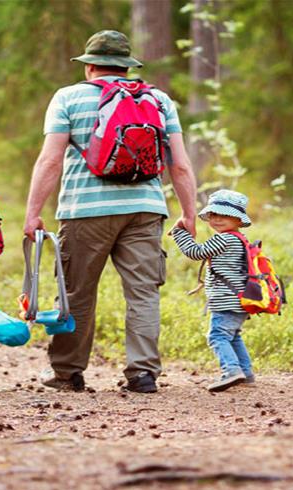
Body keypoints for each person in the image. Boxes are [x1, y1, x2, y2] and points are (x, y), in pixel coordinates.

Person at [23, 30, 200, 393]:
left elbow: (50, 160)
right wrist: (189, 213)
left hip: (84, 211)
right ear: (126, 66)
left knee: (76, 292)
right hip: (146, 210)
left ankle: (67, 372)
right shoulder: (159, 100)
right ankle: (142, 373)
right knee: (144, 293)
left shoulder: (67, 98)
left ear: (89, 66)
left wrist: (33, 213)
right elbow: (179, 165)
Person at [171, 189, 258, 392]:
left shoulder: (224, 239)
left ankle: (231, 370)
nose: (218, 220)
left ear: (238, 219)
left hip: (226, 301)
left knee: (217, 336)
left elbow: (196, 252)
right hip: (240, 300)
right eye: (214, 215)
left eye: (225, 215)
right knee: (233, 336)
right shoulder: (239, 239)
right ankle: (246, 373)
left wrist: (178, 232)